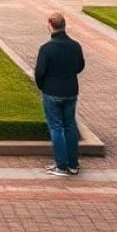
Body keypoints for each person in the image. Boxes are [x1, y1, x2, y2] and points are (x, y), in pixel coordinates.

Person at [34, 11, 85, 177]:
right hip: (70, 90)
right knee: (70, 126)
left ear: (50, 25)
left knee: (56, 127)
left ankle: (61, 165)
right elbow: (80, 66)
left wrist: (43, 86)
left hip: (52, 91)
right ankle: (73, 165)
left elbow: (40, 72)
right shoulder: (75, 45)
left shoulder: (47, 48)